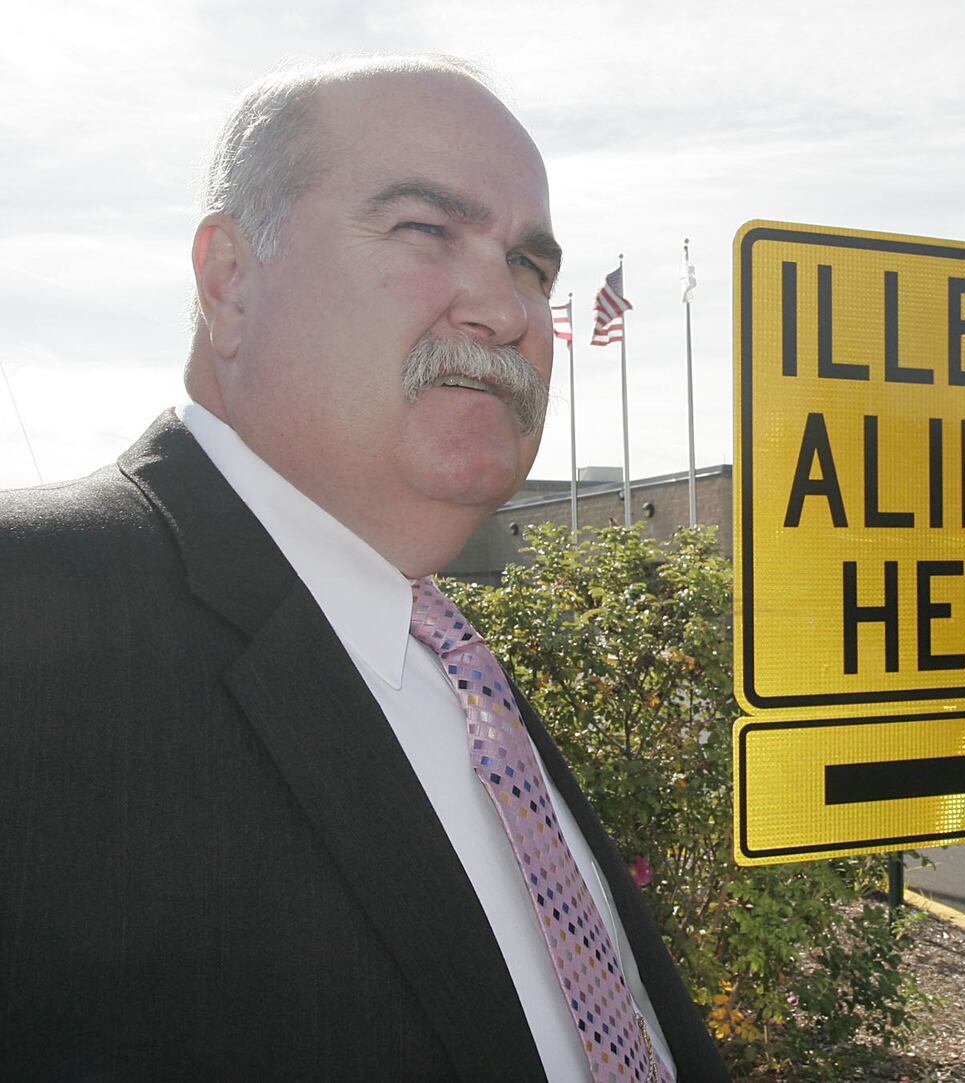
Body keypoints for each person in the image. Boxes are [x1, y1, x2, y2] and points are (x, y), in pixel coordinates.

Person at [0, 54, 727, 1081]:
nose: (508, 308)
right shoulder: (26, 620)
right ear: (229, 282)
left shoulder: (458, 670)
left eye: (529, 263)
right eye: (426, 230)